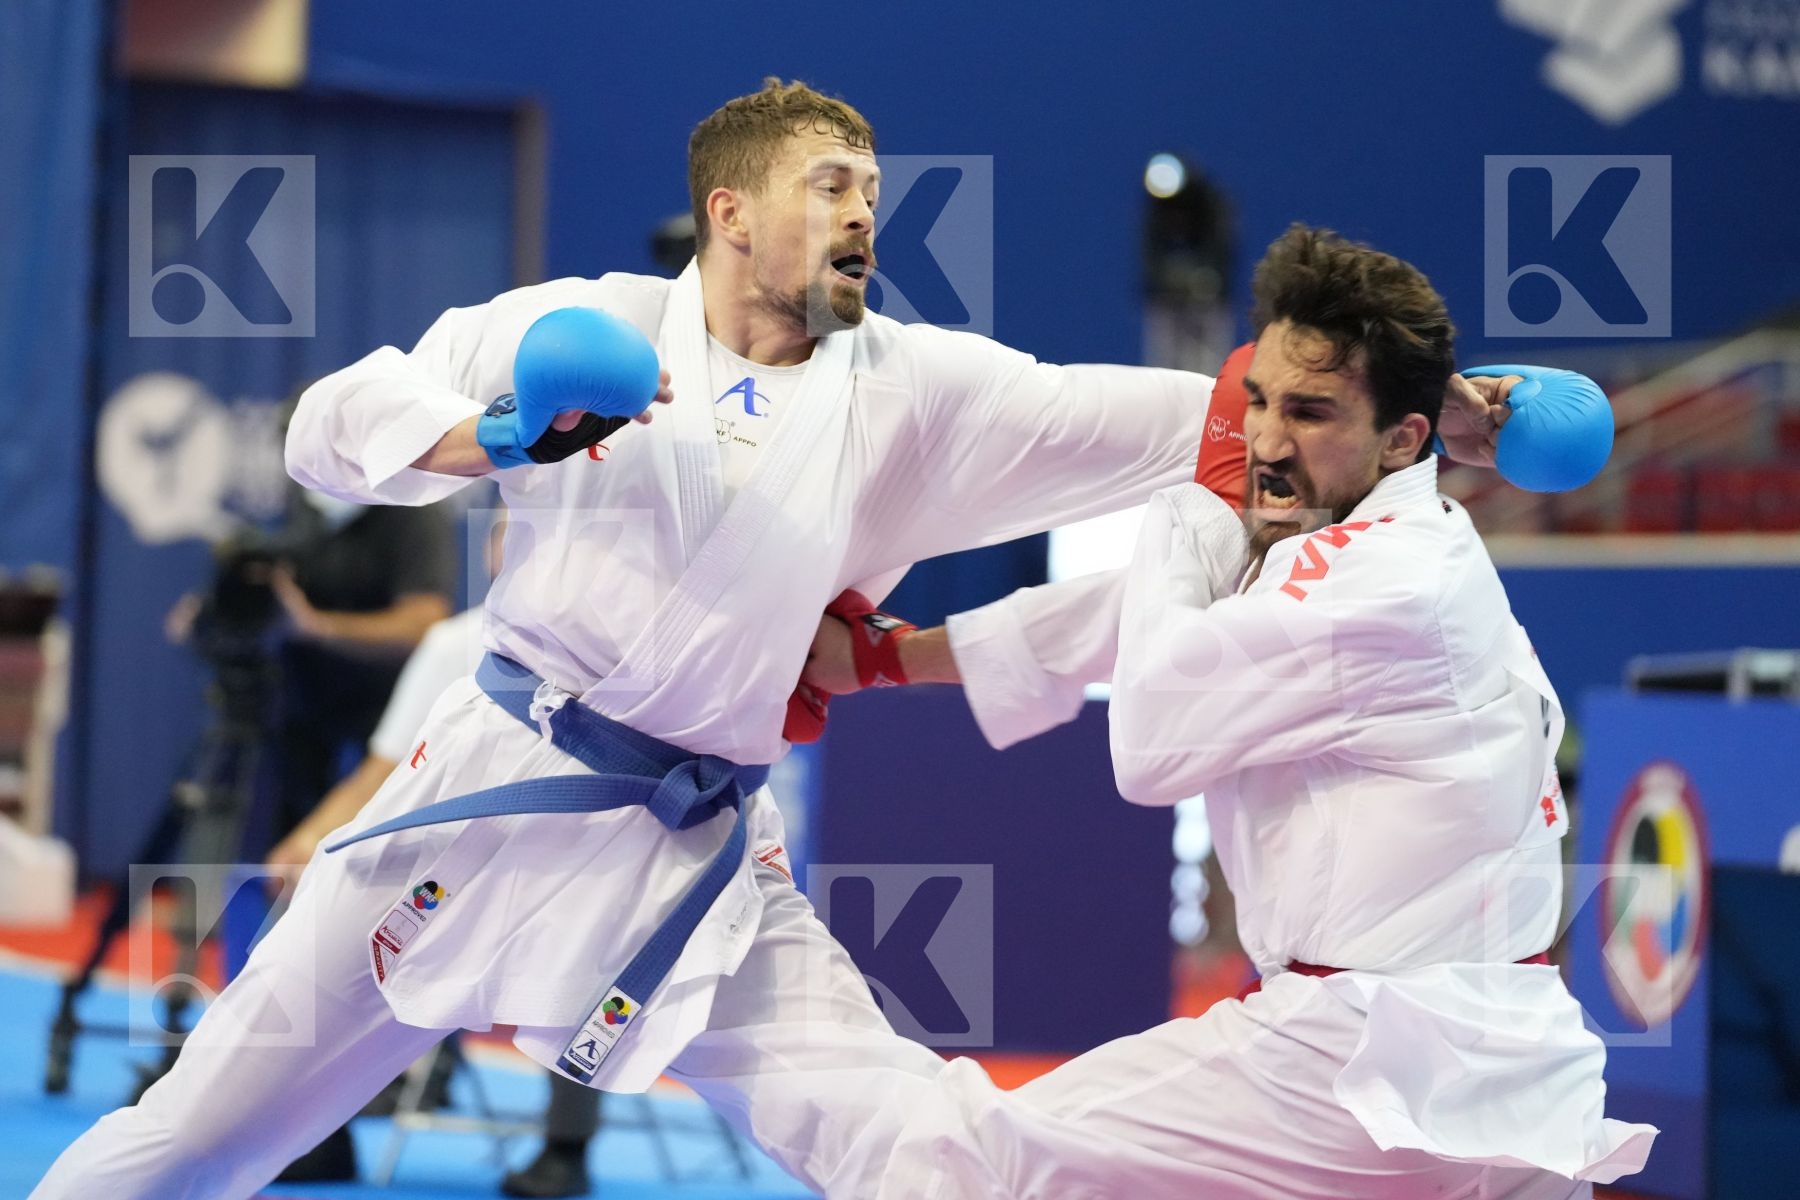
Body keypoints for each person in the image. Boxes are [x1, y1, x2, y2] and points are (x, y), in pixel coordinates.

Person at [32, 79, 1581, 1199]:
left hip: (692, 845)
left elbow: (1188, 420)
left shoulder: (916, 390)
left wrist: (1424, 416)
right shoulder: (585, 329)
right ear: (732, 211)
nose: (863, 213)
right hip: (492, 787)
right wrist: (484, 435)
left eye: (872, 192)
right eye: (831, 185)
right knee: (203, 1137)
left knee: (928, 1152)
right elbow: (325, 425)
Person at [799, 226, 1657, 1198]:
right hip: (1496, 1066)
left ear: (1403, 438)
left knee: (969, 1162)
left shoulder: (1384, 580)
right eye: (1256, 403)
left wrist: (1196, 494)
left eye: (1312, 411)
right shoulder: (1385, 540)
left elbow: (1156, 739)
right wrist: (883, 658)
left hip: (1371, 1061)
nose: (1268, 440)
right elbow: (1146, 615)